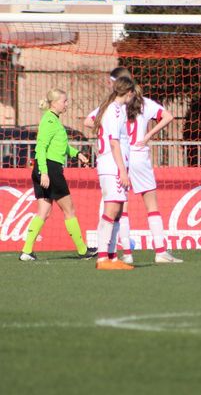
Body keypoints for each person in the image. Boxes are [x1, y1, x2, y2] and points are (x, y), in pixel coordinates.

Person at [85, 68, 182, 264]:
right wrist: (147, 136)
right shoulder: (143, 103)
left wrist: (102, 131)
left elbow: (88, 121)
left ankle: (126, 254)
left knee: (121, 209)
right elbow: (168, 116)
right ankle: (160, 251)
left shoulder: (109, 106)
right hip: (133, 155)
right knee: (151, 206)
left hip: (121, 157)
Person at [19, 89, 97, 261]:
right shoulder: (49, 120)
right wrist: (44, 173)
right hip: (50, 169)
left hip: (44, 169)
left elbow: (61, 146)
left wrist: (77, 154)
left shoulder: (53, 120)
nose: (66, 104)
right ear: (54, 103)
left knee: (44, 212)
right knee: (69, 210)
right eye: (64, 101)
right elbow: (40, 147)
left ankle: (26, 251)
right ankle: (83, 251)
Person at [93, 77, 136, 270]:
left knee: (117, 212)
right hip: (112, 167)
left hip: (113, 166)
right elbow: (114, 142)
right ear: (129, 92)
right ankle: (103, 258)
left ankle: (111, 256)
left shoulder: (116, 109)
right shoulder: (115, 111)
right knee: (111, 211)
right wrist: (122, 171)